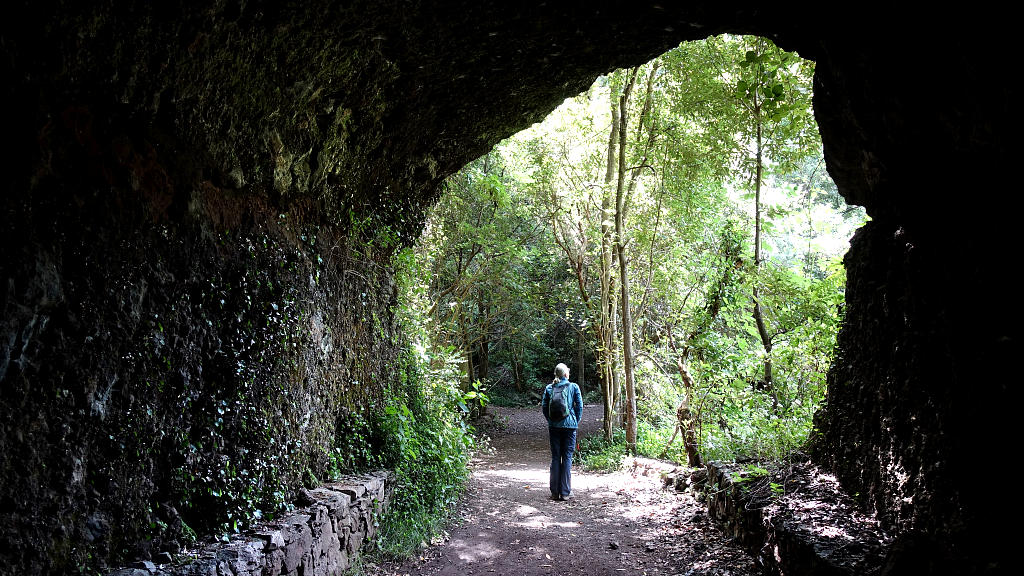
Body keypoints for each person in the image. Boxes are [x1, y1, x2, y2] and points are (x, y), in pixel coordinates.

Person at [541, 362, 583, 501]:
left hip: (554, 426)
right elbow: (579, 406)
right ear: (566, 374)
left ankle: (554, 492)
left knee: (555, 457)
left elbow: (544, 407)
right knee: (567, 457)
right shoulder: (573, 387)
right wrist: (574, 421)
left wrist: (551, 420)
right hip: (570, 427)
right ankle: (565, 492)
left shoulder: (549, 388)